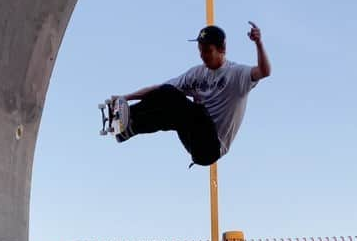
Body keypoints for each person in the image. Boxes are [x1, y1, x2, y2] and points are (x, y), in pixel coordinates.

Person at [110, 22, 271, 167]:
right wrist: (126, 97)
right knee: (168, 93)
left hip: (211, 147)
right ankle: (127, 125)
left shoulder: (237, 75)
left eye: (207, 51)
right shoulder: (197, 73)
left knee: (195, 109)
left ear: (222, 49)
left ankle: (131, 121)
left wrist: (259, 43)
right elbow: (160, 90)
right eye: (200, 51)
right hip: (193, 141)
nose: (202, 56)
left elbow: (264, 71)